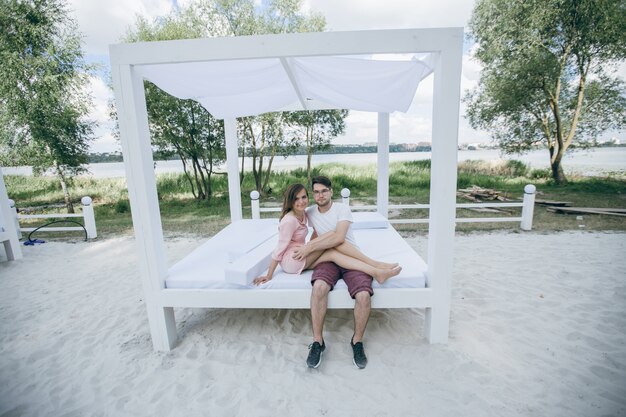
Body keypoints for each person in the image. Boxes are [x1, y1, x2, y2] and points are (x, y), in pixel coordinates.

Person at [293, 176, 392, 369]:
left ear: (331, 191)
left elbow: (338, 238)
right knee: (319, 287)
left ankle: (357, 341)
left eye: (324, 191)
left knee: (363, 295)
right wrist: (306, 246)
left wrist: (310, 246)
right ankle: (317, 342)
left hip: (350, 257)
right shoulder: (311, 212)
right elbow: (305, 225)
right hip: (328, 258)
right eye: (316, 192)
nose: (320, 195)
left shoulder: (341, 209)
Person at [253, 183, 401, 286]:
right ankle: (375, 264)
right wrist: (269, 274)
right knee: (334, 237)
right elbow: (279, 248)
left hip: (301, 254)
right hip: (292, 259)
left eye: (303, 197)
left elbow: (316, 233)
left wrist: (311, 245)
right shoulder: (289, 221)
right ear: (290, 201)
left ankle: (376, 271)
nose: (301, 201)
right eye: (296, 199)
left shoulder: (304, 214)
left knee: (333, 252)